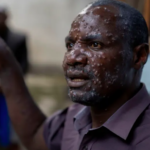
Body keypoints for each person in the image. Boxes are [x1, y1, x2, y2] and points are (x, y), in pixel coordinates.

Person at [0, 0, 149, 150]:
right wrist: (6, 67)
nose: (71, 58)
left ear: (138, 56)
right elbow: (36, 135)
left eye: (95, 45)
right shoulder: (77, 116)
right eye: (70, 45)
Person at [0, 7, 28, 150]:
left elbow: (24, 66)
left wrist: (8, 83)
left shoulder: (18, 39)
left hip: (11, 93)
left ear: (6, 17)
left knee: (12, 131)